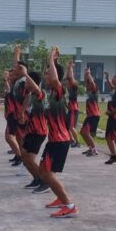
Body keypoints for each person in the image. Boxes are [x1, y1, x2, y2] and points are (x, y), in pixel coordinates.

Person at [38, 47, 78, 217]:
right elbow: (52, 77)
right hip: (53, 140)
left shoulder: (60, 91)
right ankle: (61, 199)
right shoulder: (51, 92)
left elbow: (55, 77)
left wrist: (51, 59)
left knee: (46, 172)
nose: (46, 76)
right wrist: (54, 62)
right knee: (43, 171)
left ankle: (69, 206)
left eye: (48, 74)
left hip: (60, 140)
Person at [18, 70, 48, 191]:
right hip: (31, 131)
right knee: (24, 157)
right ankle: (36, 178)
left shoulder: (41, 94)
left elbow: (37, 89)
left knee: (29, 159)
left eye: (27, 80)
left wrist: (25, 73)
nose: (25, 82)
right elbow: (25, 112)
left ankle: (45, 182)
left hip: (39, 132)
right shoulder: (29, 96)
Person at [80, 68, 101, 157]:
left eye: (89, 85)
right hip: (90, 115)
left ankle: (94, 149)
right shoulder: (89, 92)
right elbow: (87, 83)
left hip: (94, 115)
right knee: (83, 132)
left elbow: (91, 83)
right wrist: (85, 75)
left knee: (85, 132)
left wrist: (88, 74)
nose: (87, 86)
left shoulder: (94, 91)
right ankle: (90, 148)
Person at [65, 61, 81, 148]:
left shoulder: (74, 88)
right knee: (67, 126)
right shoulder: (70, 89)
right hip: (70, 109)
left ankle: (77, 142)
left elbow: (70, 77)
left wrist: (70, 67)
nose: (67, 85)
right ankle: (71, 140)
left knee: (71, 127)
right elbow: (67, 77)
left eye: (68, 83)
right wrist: (68, 68)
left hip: (73, 110)